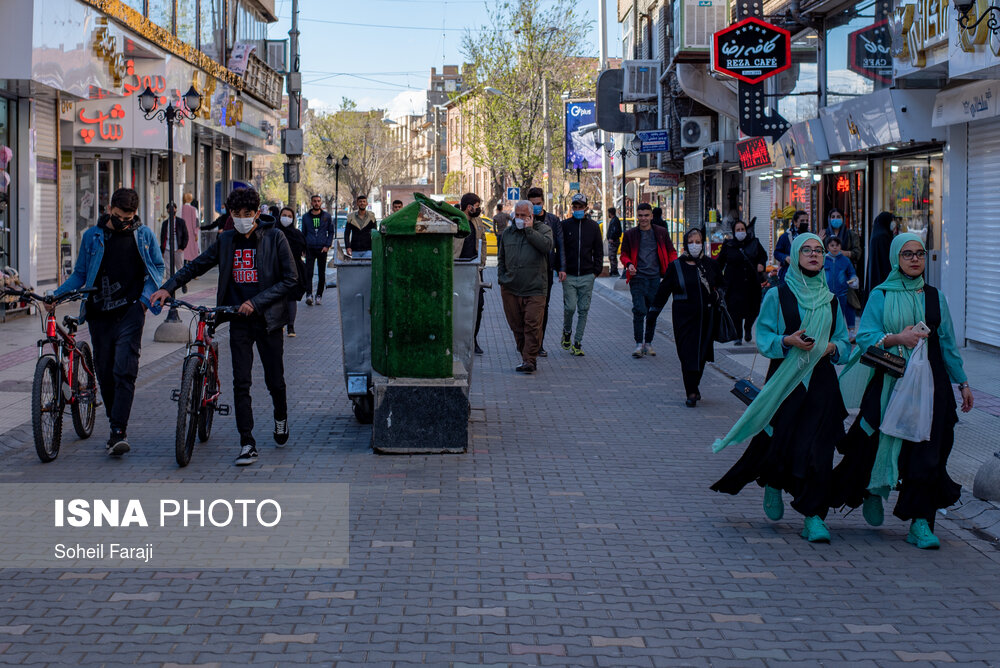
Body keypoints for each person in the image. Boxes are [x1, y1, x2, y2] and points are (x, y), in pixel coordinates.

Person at [831, 234, 973, 549]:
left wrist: (962, 383)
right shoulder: (881, 294)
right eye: (907, 254)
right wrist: (898, 338)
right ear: (897, 258)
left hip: (932, 386)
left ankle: (920, 523)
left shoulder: (936, 297)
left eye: (919, 253)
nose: (914, 259)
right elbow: (866, 337)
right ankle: (871, 489)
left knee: (929, 452)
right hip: (890, 382)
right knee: (871, 445)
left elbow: (947, 343)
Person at [711, 233, 851, 543]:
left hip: (821, 380)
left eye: (818, 250)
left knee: (820, 449)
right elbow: (764, 338)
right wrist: (787, 341)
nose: (814, 255)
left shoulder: (830, 299)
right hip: (786, 381)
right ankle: (773, 482)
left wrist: (830, 348)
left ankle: (814, 516)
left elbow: (844, 341)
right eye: (807, 250)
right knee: (782, 442)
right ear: (796, 257)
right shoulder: (778, 295)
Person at [151, 187, 299, 466]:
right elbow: (196, 266)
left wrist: (256, 302)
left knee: (274, 380)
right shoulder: (227, 240)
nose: (242, 218)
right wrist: (167, 288)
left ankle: (281, 418)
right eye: (236, 214)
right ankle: (247, 442)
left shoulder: (275, 237)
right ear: (230, 215)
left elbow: (290, 280)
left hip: (267, 321)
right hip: (238, 320)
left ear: (257, 213)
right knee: (241, 382)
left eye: (247, 214)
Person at [51, 187, 165, 457]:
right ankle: (115, 425)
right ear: (109, 209)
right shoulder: (92, 236)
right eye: (119, 216)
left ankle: (118, 431)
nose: (125, 222)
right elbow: (80, 274)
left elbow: (158, 268)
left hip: (131, 312)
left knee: (124, 370)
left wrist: (144, 301)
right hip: (98, 314)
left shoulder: (144, 235)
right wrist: (56, 296)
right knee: (105, 372)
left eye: (130, 217)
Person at [651, 228, 721, 406]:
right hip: (684, 317)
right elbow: (663, 291)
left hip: (706, 316)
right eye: (691, 242)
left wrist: (718, 295)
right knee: (687, 353)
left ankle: (694, 385)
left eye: (698, 242)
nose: (695, 245)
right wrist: (653, 312)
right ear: (685, 244)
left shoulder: (710, 265)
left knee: (702, 354)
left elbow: (722, 285)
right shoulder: (676, 266)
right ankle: (691, 391)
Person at [497, 199, 554, 373]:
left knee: (532, 325)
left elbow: (547, 246)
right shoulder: (508, 233)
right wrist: (502, 278)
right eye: (518, 215)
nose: (520, 219)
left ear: (532, 216)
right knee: (517, 326)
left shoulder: (543, 230)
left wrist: (529, 231)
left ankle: (530, 360)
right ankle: (526, 356)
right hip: (511, 288)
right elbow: (501, 259)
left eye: (524, 216)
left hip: (535, 288)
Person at [619, 202, 678, 358]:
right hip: (637, 278)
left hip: (655, 278)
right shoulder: (630, 234)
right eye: (640, 215)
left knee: (652, 312)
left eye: (646, 215)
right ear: (637, 217)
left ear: (651, 216)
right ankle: (639, 344)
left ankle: (649, 343)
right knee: (639, 310)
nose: (643, 218)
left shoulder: (661, 233)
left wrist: (673, 264)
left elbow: (671, 251)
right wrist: (629, 264)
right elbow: (623, 254)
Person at [559, 193, 603, 356]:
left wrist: (595, 271)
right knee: (570, 308)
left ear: (586, 208)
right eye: (575, 207)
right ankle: (567, 331)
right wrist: (561, 268)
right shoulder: (565, 225)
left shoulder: (593, 227)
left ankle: (577, 342)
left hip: (587, 275)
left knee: (583, 309)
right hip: (569, 275)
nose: (577, 210)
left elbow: (598, 250)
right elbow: (560, 249)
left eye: (580, 207)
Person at [526, 187, 564, 357]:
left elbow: (560, 246)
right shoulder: (524, 220)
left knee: (542, 308)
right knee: (526, 308)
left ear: (543, 202)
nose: (536, 207)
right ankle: (527, 342)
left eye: (538, 203)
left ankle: (539, 344)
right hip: (527, 270)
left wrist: (561, 268)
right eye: (533, 204)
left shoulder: (553, 221)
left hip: (546, 270)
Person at [716, 219, 767, 344]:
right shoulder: (728, 245)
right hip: (733, 284)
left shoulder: (754, 242)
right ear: (734, 232)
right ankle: (738, 335)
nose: (740, 232)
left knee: (753, 309)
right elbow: (719, 263)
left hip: (751, 284)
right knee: (734, 311)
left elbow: (763, 255)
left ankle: (748, 327)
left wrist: (761, 264)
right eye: (738, 230)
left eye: (742, 229)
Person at [457, 193, 488, 355]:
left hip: (475, 269)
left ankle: (473, 339)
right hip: (459, 269)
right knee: (460, 306)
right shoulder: (457, 220)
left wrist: (482, 262)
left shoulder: (478, 221)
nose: (478, 209)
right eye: (477, 206)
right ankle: (460, 339)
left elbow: (483, 241)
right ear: (469, 207)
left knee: (478, 306)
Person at [277, 206, 307, 337]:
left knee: (291, 298)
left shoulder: (297, 234)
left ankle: (291, 326)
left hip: (294, 269)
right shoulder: (274, 232)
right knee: (278, 298)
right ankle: (279, 323)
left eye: (289, 216)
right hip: (277, 269)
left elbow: (303, 250)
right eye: (284, 215)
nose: (286, 218)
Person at [301, 194, 335, 306]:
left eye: (318, 201)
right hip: (310, 248)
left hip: (322, 249)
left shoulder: (327, 216)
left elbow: (331, 232)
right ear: (311, 203)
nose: (316, 203)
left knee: (321, 274)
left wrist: (327, 245)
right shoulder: (306, 217)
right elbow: (303, 233)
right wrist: (303, 248)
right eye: (314, 201)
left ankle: (319, 295)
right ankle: (309, 295)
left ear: (321, 203)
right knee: (308, 273)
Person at [823, 236, 859, 337]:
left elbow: (852, 273)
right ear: (827, 247)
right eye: (832, 245)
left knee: (841, 314)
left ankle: (843, 334)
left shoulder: (846, 260)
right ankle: (828, 334)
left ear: (840, 246)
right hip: (827, 294)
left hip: (842, 293)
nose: (835, 247)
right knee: (828, 315)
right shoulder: (823, 259)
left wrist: (854, 280)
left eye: (837, 245)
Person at [774, 210, 808, 280]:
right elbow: (777, 253)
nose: (805, 223)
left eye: (807, 221)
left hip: (805, 274)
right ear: (795, 222)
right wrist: (785, 257)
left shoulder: (809, 236)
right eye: (802, 221)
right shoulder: (786, 237)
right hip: (788, 274)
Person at [866, 211, 894, 293]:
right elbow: (886, 260)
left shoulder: (877, 235)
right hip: (883, 276)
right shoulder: (883, 236)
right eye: (891, 220)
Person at [159, 203, 189, 280]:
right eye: (169, 208)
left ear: (176, 209)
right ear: (167, 210)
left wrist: (182, 247)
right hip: (167, 249)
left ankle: (182, 282)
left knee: (180, 267)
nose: (171, 210)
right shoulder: (165, 223)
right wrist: (162, 250)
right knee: (168, 269)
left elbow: (186, 235)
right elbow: (162, 237)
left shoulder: (181, 222)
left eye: (173, 208)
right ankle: (170, 286)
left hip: (178, 248)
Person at [180, 193, 200, 264]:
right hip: (191, 234)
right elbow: (196, 223)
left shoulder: (180, 209)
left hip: (182, 234)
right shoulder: (194, 210)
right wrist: (196, 233)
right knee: (192, 253)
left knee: (184, 253)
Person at [607, 207, 623, 277]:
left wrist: (612, 238)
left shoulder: (615, 220)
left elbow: (614, 230)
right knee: (611, 256)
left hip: (613, 241)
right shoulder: (614, 220)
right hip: (613, 240)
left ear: (610, 213)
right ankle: (613, 270)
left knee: (612, 256)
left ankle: (614, 271)